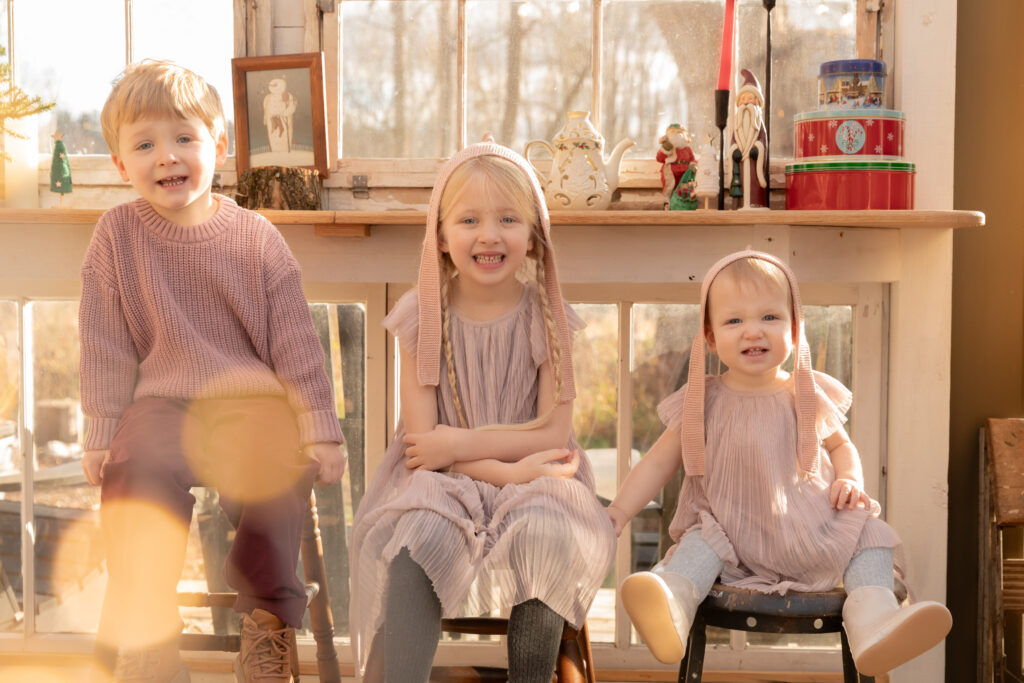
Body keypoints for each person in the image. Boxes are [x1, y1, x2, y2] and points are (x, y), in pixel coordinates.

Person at [80, 60, 346, 683]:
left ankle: (268, 629)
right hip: (162, 404)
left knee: (275, 472)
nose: (166, 157)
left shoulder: (256, 238)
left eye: (183, 139)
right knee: (134, 470)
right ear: (121, 165)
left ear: (217, 147)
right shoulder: (115, 237)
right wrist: (100, 433)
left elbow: (296, 344)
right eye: (144, 145)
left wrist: (320, 429)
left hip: (252, 402)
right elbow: (105, 344)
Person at [606, 250, 952, 676]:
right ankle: (673, 607)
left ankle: (874, 621)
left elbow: (842, 446)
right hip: (731, 538)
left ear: (794, 327)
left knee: (868, 533)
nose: (754, 331)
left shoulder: (805, 392)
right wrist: (618, 513)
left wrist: (849, 479)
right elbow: (657, 464)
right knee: (699, 542)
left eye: (770, 317)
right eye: (735, 321)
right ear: (710, 336)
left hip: (811, 530)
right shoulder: (701, 401)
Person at [349, 140, 616, 683]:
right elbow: (425, 450)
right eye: (469, 219)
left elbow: (554, 435)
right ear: (441, 238)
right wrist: (502, 467)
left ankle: (532, 676)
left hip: (536, 480)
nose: (489, 234)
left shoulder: (549, 320)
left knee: (548, 526)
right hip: (439, 482)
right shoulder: (421, 319)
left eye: (508, 219)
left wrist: (471, 451)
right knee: (417, 529)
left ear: (535, 237)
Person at [727, 69, 768, 209]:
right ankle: (739, 205)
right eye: (742, 100)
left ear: (757, 102)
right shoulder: (737, 125)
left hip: (753, 163)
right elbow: (733, 141)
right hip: (742, 165)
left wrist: (758, 148)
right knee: (741, 186)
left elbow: (763, 140)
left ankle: (756, 204)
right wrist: (734, 151)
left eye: (749, 99)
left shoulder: (758, 123)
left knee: (755, 185)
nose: (745, 103)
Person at [656, 123, 695, 207]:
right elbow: (659, 158)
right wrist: (666, 148)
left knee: (684, 190)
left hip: (685, 175)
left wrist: (693, 166)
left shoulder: (687, 149)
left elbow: (692, 159)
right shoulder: (668, 148)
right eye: (673, 132)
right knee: (671, 190)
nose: (677, 134)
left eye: (679, 132)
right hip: (671, 174)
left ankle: (683, 205)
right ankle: (669, 205)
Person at [263, 77, 296, 154]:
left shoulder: (287, 95)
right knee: (273, 136)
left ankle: (285, 152)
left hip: (283, 120)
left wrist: (285, 114)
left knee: (283, 136)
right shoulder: (268, 97)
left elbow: (292, 106)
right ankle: (274, 151)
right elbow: (265, 108)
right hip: (271, 121)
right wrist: (265, 118)